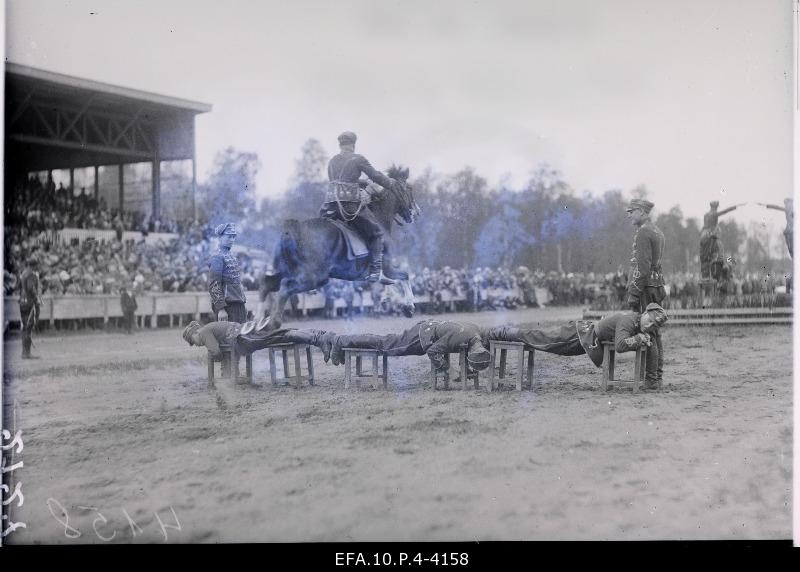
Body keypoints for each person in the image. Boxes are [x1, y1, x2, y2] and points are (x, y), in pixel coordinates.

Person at [485, 303, 668, 389]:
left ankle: (653, 381)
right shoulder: (629, 320)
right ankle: (500, 332)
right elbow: (620, 345)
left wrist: (656, 378)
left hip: (587, 338)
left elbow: (655, 348)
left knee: (540, 337)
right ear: (644, 313)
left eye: (654, 326)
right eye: (650, 320)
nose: (650, 325)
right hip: (579, 335)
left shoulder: (642, 324)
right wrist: (639, 339)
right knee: (540, 338)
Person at [321, 131, 398, 285]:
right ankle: (376, 271)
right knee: (376, 232)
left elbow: (340, 181)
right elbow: (375, 175)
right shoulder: (358, 158)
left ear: (340, 144)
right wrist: (390, 184)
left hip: (329, 206)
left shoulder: (332, 161)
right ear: (353, 145)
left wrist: (361, 182)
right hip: (349, 206)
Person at [328, 319, 492, 375]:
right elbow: (433, 351)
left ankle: (343, 344)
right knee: (384, 345)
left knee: (385, 342)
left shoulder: (476, 333)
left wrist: (466, 369)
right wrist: (448, 370)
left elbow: (462, 347)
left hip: (430, 327)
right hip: (421, 337)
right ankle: (341, 341)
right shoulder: (463, 338)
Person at [625, 198, 666, 384]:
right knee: (655, 332)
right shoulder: (657, 231)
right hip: (656, 285)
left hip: (644, 287)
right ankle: (656, 376)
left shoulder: (643, 232)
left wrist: (634, 292)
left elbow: (642, 266)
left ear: (642, 211)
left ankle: (650, 379)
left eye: (632, 211)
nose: (629, 214)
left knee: (647, 331)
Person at [182, 317, 335, 362]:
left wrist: (212, 358)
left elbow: (215, 352)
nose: (195, 345)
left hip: (242, 337)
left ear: (194, 333)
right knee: (281, 334)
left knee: (281, 336)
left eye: (192, 341)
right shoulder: (209, 328)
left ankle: (319, 338)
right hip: (243, 331)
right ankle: (319, 335)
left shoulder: (203, 332)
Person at [208, 223, 247, 323]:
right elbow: (214, 285)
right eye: (229, 236)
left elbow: (237, 284)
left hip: (238, 306)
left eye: (233, 236)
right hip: (227, 307)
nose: (232, 239)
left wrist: (242, 304)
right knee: (229, 338)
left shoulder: (231, 256)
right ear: (220, 237)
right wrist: (221, 309)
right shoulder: (217, 257)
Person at [700, 200, 745, 279]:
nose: (717, 209)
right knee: (720, 247)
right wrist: (736, 206)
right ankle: (722, 263)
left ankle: (706, 262)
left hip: (703, 235)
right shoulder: (714, 213)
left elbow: (705, 226)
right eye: (717, 207)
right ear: (715, 207)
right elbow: (725, 211)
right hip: (710, 234)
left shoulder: (705, 215)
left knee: (704, 253)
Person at [18, 257, 42, 359]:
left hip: (22, 302)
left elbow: (20, 287)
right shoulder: (31, 274)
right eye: (37, 265)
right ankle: (27, 353)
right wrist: (37, 299)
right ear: (34, 265)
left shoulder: (23, 273)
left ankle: (24, 352)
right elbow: (31, 288)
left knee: (25, 327)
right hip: (29, 303)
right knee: (29, 327)